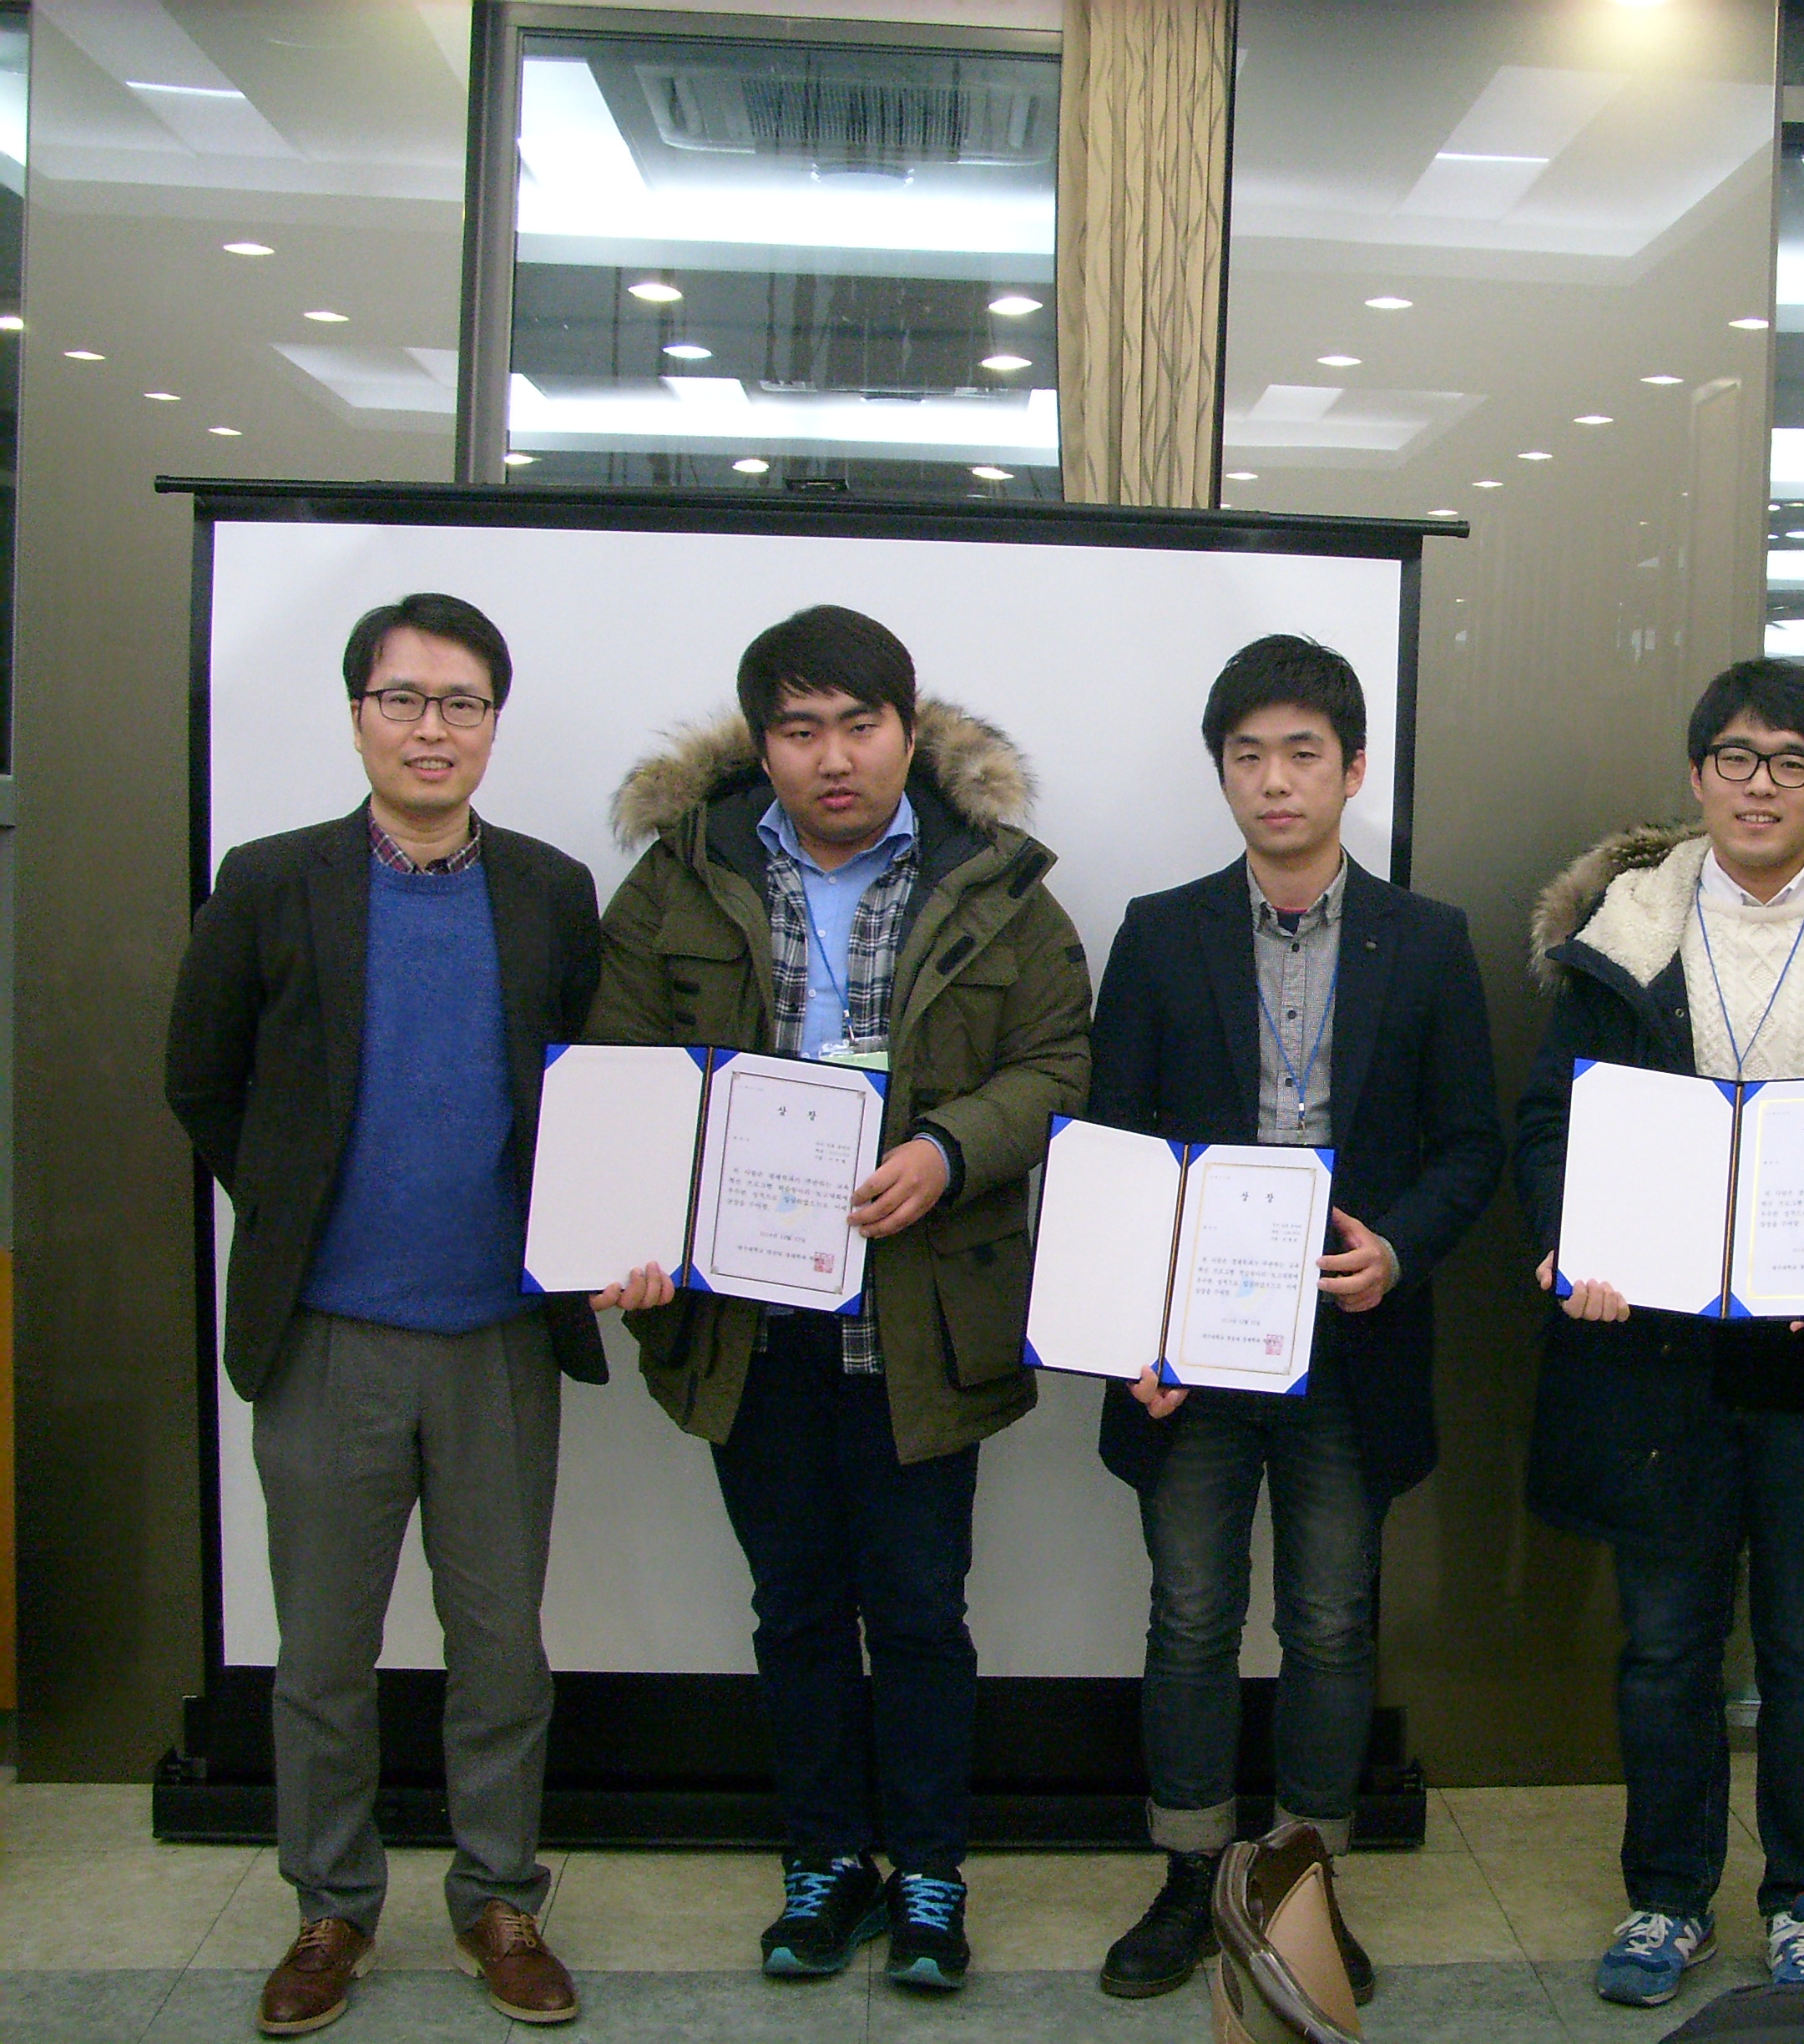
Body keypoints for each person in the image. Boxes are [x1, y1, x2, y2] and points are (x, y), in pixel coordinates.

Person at [584, 605, 1090, 1994]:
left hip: (921, 1320)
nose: (833, 758)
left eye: (860, 726)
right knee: (796, 1609)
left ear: (906, 733)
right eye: (800, 731)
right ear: (763, 747)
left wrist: (950, 1151)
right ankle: (823, 1866)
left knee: (921, 1612)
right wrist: (639, 1229)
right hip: (747, 1324)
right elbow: (621, 1070)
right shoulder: (678, 883)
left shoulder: (996, 884)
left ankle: (929, 1875)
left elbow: (1058, 1063)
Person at [1514, 657, 1804, 2010]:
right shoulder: (1625, 930)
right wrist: (1571, 1242)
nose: (1759, 785)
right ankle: (1667, 1898)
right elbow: (1552, 1121)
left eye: (1790, 763)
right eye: (1735, 758)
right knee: (1665, 1643)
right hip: (1657, 1346)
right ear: (1698, 776)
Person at [165, 593, 601, 2035]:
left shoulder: (548, 891)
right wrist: (295, 1204)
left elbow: (588, 1094)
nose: (432, 728)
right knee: (321, 1659)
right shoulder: (268, 880)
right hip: (328, 1339)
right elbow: (200, 1077)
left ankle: (499, 1898)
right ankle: (330, 1909)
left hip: (499, 1338)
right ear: (358, 714)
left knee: (501, 1653)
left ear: (493, 725)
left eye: (462, 702)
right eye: (404, 699)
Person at [1087, 635, 1504, 2001]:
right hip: (1193, 1345)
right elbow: (1112, 1146)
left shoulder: (1426, 939)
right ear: (1223, 771)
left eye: (1303, 754)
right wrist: (1135, 1328)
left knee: (1329, 1623)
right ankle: (1188, 1876)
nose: (1276, 781)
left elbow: (1471, 1145)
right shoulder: (1160, 932)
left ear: (1353, 769)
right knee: (1192, 1615)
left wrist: (1401, 1251)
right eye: (1249, 756)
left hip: (1350, 1337)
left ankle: (1306, 1886)